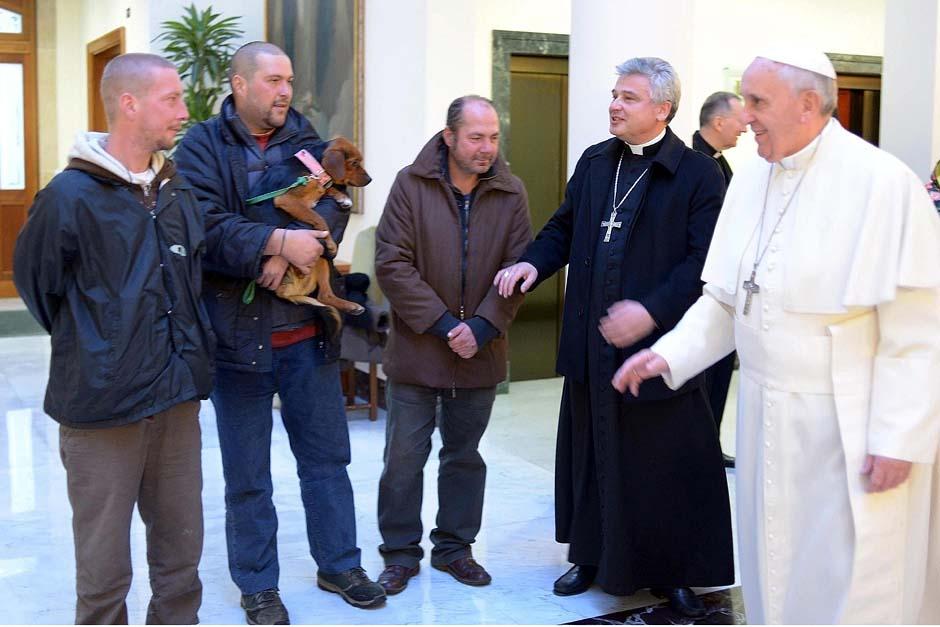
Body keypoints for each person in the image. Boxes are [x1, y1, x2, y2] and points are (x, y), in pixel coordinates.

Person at [614, 51, 940, 624]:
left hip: (849, 425)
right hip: (765, 414)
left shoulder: (882, 184)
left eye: (758, 103)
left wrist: (900, 435)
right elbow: (725, 299)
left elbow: (918, 330)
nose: (746, 118)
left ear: (808, 104)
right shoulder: (752, 178)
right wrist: (667, 353)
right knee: (774, 566)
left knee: (849, 577)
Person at [495, 57, 732, 618]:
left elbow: (704, 262)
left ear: (662, 109)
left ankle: (670, 571)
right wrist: (534, 263)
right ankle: (592, 555)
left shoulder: (696, 175)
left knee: (661, 463)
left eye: (628, 97)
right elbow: (564, 226)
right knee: (593, 451)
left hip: (659, 350)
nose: (614, 105)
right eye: (614, 94)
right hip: (593, 344)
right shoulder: (598, 162)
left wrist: (650, 312)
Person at [175, 41, 384, 624]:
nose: (285, 91)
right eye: (272, 80)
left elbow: (336, 202)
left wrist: (297, 253)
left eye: (288, 79)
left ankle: (339, 564)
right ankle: (258, 584)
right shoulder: (200, 148)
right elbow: (203, 226)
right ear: (239, 85)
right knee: (248, 475)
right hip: (236, 340)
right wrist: (273, 242)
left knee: (326, 461)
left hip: (305, 335)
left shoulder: (305, 138)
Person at [13, 53, 213, 624]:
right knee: (103, 576)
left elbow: (191, 276)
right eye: (170, 99)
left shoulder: (177, 191)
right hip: (102, 408)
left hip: (175, 399)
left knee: (181, 562)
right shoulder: (68, 197)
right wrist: (102, 347)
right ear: (129, 104)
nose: (183, 111)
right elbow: (41, 289)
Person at [373, 95, 531, 594]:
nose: (486, 148)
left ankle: (455, 548)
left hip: (480, 353)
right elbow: (392, 264)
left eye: (493, 138)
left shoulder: (511, 192)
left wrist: (483, 326)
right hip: (420, 350)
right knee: (403, 459)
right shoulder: (410, 183)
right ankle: (399, 553)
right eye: (476, 137)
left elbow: (521, 268)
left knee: (464, 457)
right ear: (449, 137)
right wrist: (445, 325)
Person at [692, 91, 748, 468]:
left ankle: (708, 441)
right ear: (718, 121)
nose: (745, 125)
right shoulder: (696, 163)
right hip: (702, 286)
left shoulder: (720, 162)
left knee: (720, 371)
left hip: (725, 283)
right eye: (739, 118)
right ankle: (698, 445)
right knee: (703, 372)